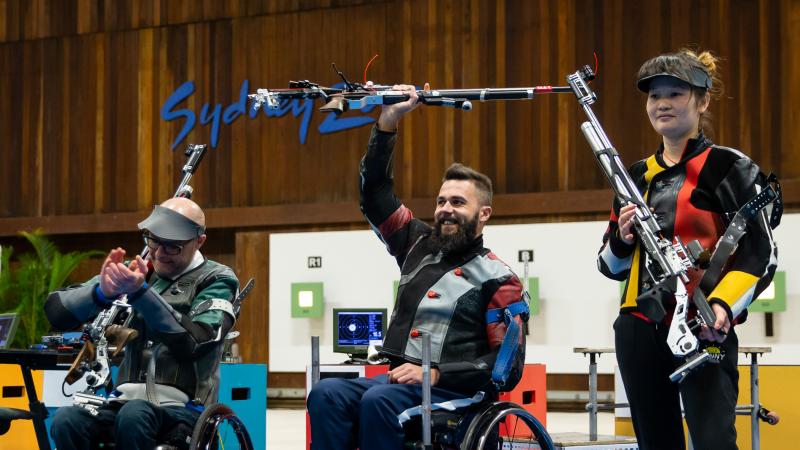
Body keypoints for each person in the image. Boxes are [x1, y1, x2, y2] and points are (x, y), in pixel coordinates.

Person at [307, 85, 528, 450]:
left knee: (378, 402)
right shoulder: (416, 244)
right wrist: (388, 122)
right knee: (327, 393)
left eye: (458, 202)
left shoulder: (502, 280)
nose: (446, 209)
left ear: (483, 214)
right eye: (441, 201)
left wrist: (437, 372)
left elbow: (507, 367)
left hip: (457, 393)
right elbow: (375, 195)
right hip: (397, 384)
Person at [597, 49, 778, 450]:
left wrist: (723, 306)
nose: (661, 103)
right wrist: (622, 239)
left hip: (705, 326)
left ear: (703, 100)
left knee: (713, 442)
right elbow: (608, 266)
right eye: (654, 95)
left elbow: (760, 253)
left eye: (676, 93)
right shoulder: (633, 176)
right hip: (637, 328)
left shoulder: (730, 167)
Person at [44, 197, 239, 450]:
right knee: (66, 420)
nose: (158, 253)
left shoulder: (218, 279)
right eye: (153, 240)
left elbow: (194, 342)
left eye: (172, 247)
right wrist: (100, 293)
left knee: (135, 415)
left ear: (199, 241)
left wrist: (141, 294)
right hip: (123, 404)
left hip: (184, 410)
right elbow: (56, 311)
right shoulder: (132, 272)